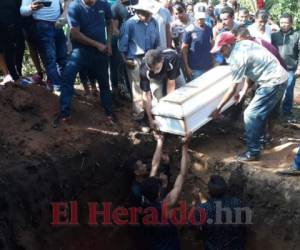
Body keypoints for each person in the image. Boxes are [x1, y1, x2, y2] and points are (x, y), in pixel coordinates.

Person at [211, 32, 288, 161]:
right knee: (264, 112)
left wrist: (218, 108)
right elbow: (250, 69)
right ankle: (262, 140)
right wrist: (245, 90)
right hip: (280, 77)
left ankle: (253, 151)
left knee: (250, 114)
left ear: (229, 45)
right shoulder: (243, 44)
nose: (220, 53)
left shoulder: (237, 57)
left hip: (272, 82)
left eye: (222, 49)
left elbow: (233, 87)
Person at [55, 0, 116, 126]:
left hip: (101, 50)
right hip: (81, 50)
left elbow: (110, 22)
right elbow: (75, 33)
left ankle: (109, 114)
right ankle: (64, 114)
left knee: (104, 82)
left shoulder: (103, 4)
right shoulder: (74, 7)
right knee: (68, 76)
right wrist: (97, 44)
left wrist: (109, 43)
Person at [141, 134, 190, 250]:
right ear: (158, 192)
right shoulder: (166, 204)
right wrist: (185, 146)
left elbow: (154, 166)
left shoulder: (143, 199)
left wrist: (159, 142)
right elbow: (182, 174)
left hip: (154, 245)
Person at [119, 0, 160, 122]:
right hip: (135, 59)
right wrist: (126, 60)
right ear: (139, 11)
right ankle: (140, 116)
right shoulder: (129, 24)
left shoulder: (154, 22)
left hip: (151, 58)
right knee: (137, 89)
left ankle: (155, 113)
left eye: (149, 13)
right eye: (146, 13)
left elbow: (157, 42)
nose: (148, 16)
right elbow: (122, 46)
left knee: (154, 87)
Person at [21, 0, 68, 93]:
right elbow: (23, 11)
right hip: (42, 24)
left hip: (58, 24)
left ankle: (66, 85)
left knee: (63, 57)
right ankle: (57, 85)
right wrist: (31, 7)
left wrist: (64, 15)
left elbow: (65, 2)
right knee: (50, 58)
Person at [193, 175, 246, 250]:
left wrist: (197, 201)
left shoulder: (203, 209)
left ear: (209, 192)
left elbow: (193, 226)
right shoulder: (238, 203)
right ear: (226, 189)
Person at [140, 49, 186, 129]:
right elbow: (146, 95)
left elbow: (171, 84)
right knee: (158, 97)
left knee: (182, 91)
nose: (155, 71)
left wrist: (169, 105)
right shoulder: (144, 69)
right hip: (156, 78)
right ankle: (160, 124)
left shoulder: (172, 58)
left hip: (172, 69)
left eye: (157, 68)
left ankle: (182, 118)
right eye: (152, 69)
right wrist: (151, 119)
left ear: (162, 60)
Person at [271, 13, 300, 122]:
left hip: (290, 68)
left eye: (286, 23)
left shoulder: (296, 35)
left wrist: (299, 67)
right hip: (276, 68)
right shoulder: (274, 35)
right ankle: (274, 112)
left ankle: (287, 113)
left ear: (291, 23)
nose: (283, 25)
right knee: (275, 90)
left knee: (288, 90)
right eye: (282, 22)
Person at [182, 6, 213, 80]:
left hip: (207, 66)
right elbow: (184, 49)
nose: (200, 20)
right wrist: (187, 67)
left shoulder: (209, 28)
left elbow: (211, 44)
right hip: (195, 68)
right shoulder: (189, 30)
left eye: (202, 18)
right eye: (199, 18)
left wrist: (213, 61)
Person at [0, 0, 22, 85]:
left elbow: (17, 9)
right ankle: (6, 74)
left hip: (10, 24)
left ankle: (14, 75)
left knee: (10, 49)